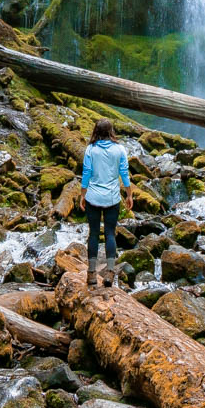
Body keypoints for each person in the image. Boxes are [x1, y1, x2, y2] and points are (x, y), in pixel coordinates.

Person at [80, 118, 132, 287]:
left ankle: (91, 274)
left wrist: (83, 194)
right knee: (110, 233)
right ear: (111, 132)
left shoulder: (90, 150)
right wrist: (129, 194)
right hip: (111, 198)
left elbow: (86, 173)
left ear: (95, 131)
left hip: (93, 198)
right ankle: (110, 273)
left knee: (93, 234)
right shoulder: (120, 149)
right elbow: (124, 173)